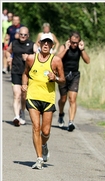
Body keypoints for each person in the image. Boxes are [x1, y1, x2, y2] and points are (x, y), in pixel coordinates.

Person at [22, 33, 65, 169]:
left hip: (48, 99)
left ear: (52, 45)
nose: (46, 45)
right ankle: (39, 158)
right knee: (36, 127)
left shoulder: (56, 61)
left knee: (45, 132)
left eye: (49, 43)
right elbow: (25, 73)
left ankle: (44, 145)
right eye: (44, 42)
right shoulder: (30, 58)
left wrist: (55, 78)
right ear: (39, 44)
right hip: (33, 97)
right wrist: (24, 84)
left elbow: (63, 80)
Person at [56, 31, 90, 131]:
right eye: (72, 42)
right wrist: (66, 49)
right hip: (63, 75)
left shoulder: (80, 49)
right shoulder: (64, 47)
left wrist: (82, 49)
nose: (74, 44)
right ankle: (61, 114)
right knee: (63, 99)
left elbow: (88, 61)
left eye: (76, 42)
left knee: (72, 99)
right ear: (69, 40)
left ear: (79, 41)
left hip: (74, 75)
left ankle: (71, 122)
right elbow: (57, 59)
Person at [6, 26, 37, 126]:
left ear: (28, 35)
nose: (23, 36)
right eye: (21, 34)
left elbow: (39, 56)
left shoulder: (32, 44)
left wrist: (29, 57)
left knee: (24, 96)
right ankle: (16, 116)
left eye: (25, 35)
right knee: (17, 94)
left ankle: (22, 112)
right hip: (15, 71)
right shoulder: (14, 43)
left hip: (27, 73)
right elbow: (8, 51)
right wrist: (9, 57)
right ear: (18, 34)